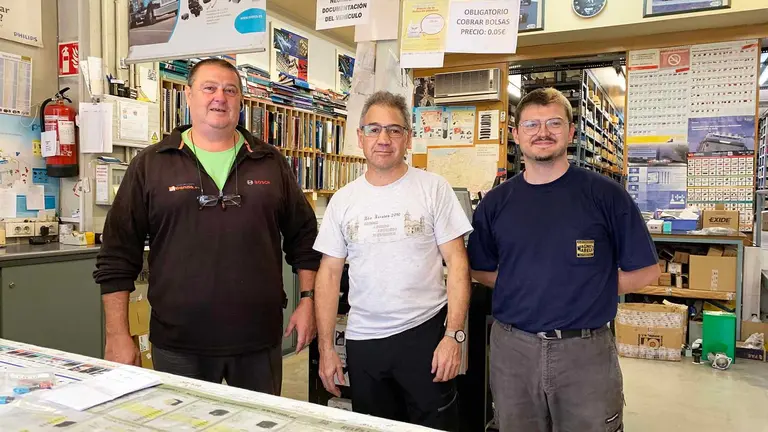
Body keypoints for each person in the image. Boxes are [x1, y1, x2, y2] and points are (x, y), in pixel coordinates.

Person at [93, 58, 321, 395]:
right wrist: (117, 335)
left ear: (241, 100)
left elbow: (304, 238)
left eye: (230, 90)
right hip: (179, 344)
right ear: (188, 95)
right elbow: (117, 254)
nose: (220, 98)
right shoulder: (152, 164)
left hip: (258, 342)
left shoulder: (270, 162)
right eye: (209, 88)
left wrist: (308, 301)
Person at [468, 88, 660, 432]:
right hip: (514, 350)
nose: (543, 132)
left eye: (554, 123)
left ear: (571, 132)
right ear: (515, 135)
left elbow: (647, 270)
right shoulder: (495, 204)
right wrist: (530, 280)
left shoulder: (606, 196)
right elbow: (481, 269)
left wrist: (590, 286)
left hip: (585, 352)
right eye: (531, 124)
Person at [313, 91, 472, 430]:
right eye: (373, 129)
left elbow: (458, 264)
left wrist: (453, 336)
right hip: (364, 342)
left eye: (394, 130)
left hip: (425, 335)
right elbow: (328, 275)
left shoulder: (433, 189)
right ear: (359, 137)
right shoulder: (343, 201)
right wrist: (326, 349)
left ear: (408, 137)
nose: (383, 139)